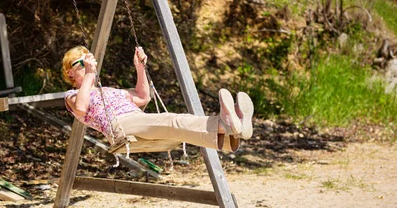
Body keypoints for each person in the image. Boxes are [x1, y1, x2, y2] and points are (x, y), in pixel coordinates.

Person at [61, 45, 255, 152]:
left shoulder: (109, 90)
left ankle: (232, 133)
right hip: (119, 125)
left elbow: (143, 97)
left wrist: (139, 67)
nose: (87, 64)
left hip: (136, 118)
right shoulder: (72, 95)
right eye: (81, 63)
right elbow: (80, 109)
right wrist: (89, 74)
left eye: (89, 60)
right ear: (70, 72)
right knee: (172, 119)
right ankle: (226, 123)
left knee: (177, 124)